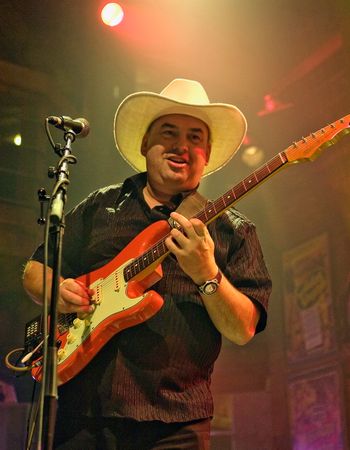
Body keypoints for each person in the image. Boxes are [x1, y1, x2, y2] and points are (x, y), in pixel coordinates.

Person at [23, 78, 272, 450]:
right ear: (144, 144)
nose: (181, 146)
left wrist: (207, 273)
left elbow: (243, 329)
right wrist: (56, 290)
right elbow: (34, 269)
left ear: (207, 152)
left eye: (195, 138)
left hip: (177, 423)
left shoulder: (234, 231)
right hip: (81, 414)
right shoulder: (101, 206)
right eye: (168, 132)